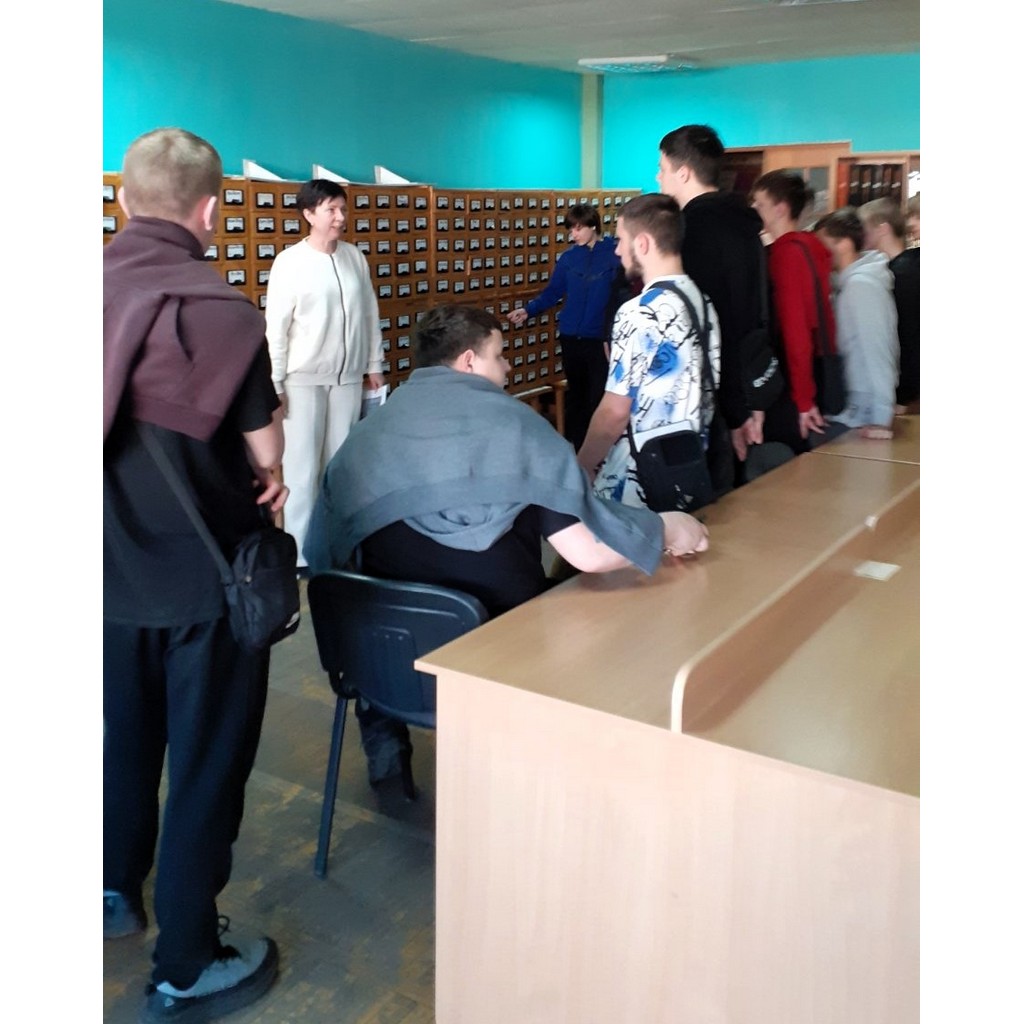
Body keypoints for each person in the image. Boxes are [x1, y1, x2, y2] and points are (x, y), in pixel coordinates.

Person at [304, 304, 709, 781]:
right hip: (503, 656)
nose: (509, 367)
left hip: (387, 665)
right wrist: (665, 528)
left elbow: (323, 551)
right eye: (500, 355)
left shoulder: (365, 435)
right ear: (469, 361)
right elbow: (590, 552)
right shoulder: (516, 427)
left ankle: (384, 738)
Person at [104, 128, 285, 1021]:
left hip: (101, 579)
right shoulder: (225, 314)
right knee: (206, 765)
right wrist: (271, 472)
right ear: (212, 209)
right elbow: (267, 451)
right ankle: (185, 962)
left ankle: (109, 890)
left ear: (123, 199)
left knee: (117, 740)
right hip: (205, 589)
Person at [263, 178, 385, 571]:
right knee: (302, 469)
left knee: (341, 466)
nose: (339, 217)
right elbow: (276, 328)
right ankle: (301, 553)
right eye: (331, 209)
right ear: (309, 214)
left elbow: (369, 314)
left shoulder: (354, 257)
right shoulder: (290, 263)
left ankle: (336, 546)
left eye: (342, 209)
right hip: (302, 380)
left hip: (347, 378)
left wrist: (374, 363)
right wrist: (275, 381)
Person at [576, 193, 721, 507]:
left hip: (638, 479)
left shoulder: (640, 311)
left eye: (620, 240)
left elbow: (615, 412)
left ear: (642, 243)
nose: (616, 250)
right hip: (688, 467)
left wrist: (583, 463)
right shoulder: (702, 301)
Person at [656, 124, 770, 488]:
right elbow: (752, 310)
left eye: (662, 168)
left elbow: (711, 320)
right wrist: (748, 401)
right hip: (747, 377)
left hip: (707, 393)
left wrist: (734, 408)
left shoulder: (693, 230)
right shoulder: (744, 222)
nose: (658, 177)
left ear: (683, 172)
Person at [508, 203, 621, 450]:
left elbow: (622, 296)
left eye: (578, 229)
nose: (573, 235)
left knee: (599, 396)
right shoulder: (569, 258)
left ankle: (600, 451)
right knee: (577, 396)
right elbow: (553, 292)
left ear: (593, 226)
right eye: (570, 230)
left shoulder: (614, 255)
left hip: (599, 339)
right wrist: (528, 310)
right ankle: (577, 448)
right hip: (571, 336)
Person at [750, 170, 837, 449]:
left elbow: (795, 328)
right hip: (812, 369)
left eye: (759, 204)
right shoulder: (809, 246)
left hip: (792, 378)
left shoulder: (787, 254)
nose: (753, 209)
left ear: (780, 209)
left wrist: (803, 399)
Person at [815, 208, 899, 439]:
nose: (817, 252)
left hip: (863, 414)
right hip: (856, 408)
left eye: (822, 244)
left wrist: (881, 416)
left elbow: (877, 348)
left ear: (844, 244)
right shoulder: (850, 284)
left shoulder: (860, 287)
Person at [858, 196, 920, 411]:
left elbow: (908, 336)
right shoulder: (901, 269)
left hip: (907, 389)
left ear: (882, 229)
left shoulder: (902, 273)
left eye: (864, 228)